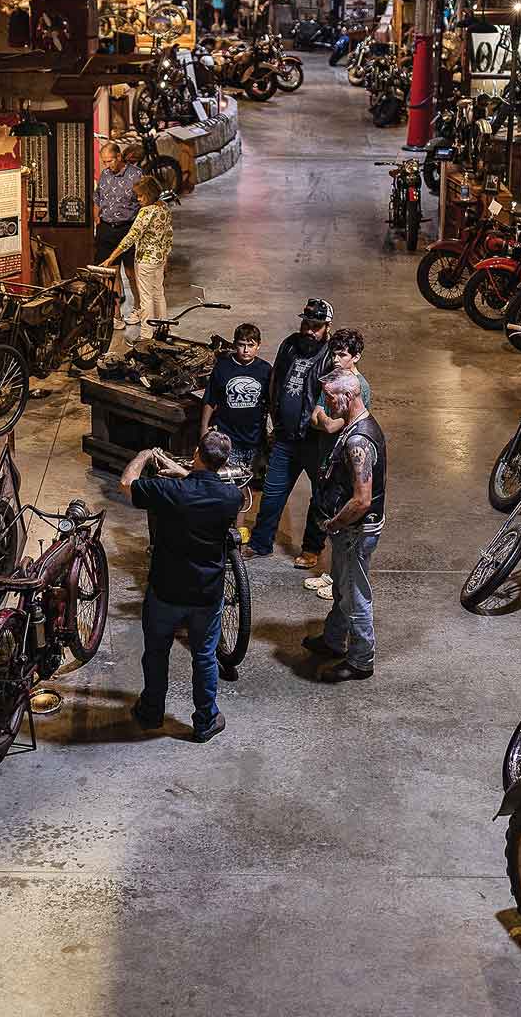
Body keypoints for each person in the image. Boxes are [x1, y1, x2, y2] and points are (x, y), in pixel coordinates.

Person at [123, 432, 243, 741]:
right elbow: (206, 491)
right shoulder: (232, 498)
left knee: (156, 653)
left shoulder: (170, 491)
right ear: (225, 462)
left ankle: (150, 712)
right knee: (204, 656)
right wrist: (189, 475)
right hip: (207, 594)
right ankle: (205, 721)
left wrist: (144, 455)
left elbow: (127, 484)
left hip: (166, 590)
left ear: (196, 453)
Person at [303, 372, 386, 682]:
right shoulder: (359, 425)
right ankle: (334, 639)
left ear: (349, 397)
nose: (326, 404)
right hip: (350, 530)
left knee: (354, 596)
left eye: (330, 398)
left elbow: (362, 500)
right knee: (342, 585)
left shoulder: (358, 441)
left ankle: (362, 660)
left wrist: (335, 523)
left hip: (355, 531)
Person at [246, 298, 333, 565]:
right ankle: (261, 542)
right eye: (306, 323)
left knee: (320, 496)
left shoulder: (331, 356)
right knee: (272, 492)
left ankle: (311, 549)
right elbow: (276, 381)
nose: (309, 330)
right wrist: (275, 418)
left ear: (327, 327)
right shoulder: (290, 345)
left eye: (316, 326)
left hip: (314, 441)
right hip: (285, 436)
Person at [303, 328, 370, 598]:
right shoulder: (333, 379)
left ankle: (338, 581)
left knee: (342, 525)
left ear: (356, 357)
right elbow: (315, 416)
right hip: (326, 460)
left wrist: (324, 421)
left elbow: (331, 426)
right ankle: (332, 573)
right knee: (327, 514)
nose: (335, 359)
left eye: (342, 355)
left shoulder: (359, 388)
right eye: (334, 353)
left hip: (344, 464)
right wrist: (323, 420)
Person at [100, 174, 172, 327]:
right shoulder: (164, 207)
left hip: (146, 260)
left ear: (149, 194)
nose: (138, 199)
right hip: (158, 260)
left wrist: (111, 257)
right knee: (159, 294)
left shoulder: (146, 212)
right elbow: (168, 236)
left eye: (140, 196)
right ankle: (163, 329)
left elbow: (130, 238)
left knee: (146, 299)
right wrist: (165, 258)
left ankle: (147, 334)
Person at [201, 323, 272, 469]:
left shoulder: (265, 370)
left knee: (253, 483)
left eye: (251, 345)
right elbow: (210, 399)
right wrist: (203, 428)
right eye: (241, 345)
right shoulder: (222, 367)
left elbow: (271, 401)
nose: (246, 350)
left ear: (258, 345)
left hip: (255, 440)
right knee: (228, 482)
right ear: (234, 344)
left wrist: (274, 431)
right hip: (228, 440)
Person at [92, 139, 143, 319]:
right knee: (109, 273)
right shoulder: (105, 175)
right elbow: (97, 198)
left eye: (109, 161)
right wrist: (97, 218)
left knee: (130, 272)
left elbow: (144, 202)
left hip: (127, 229)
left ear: (119, 156)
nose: (106, 165)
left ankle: (138, 306)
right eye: (104, 162)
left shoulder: (136, 175)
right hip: (106, 229)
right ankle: (115, 315)